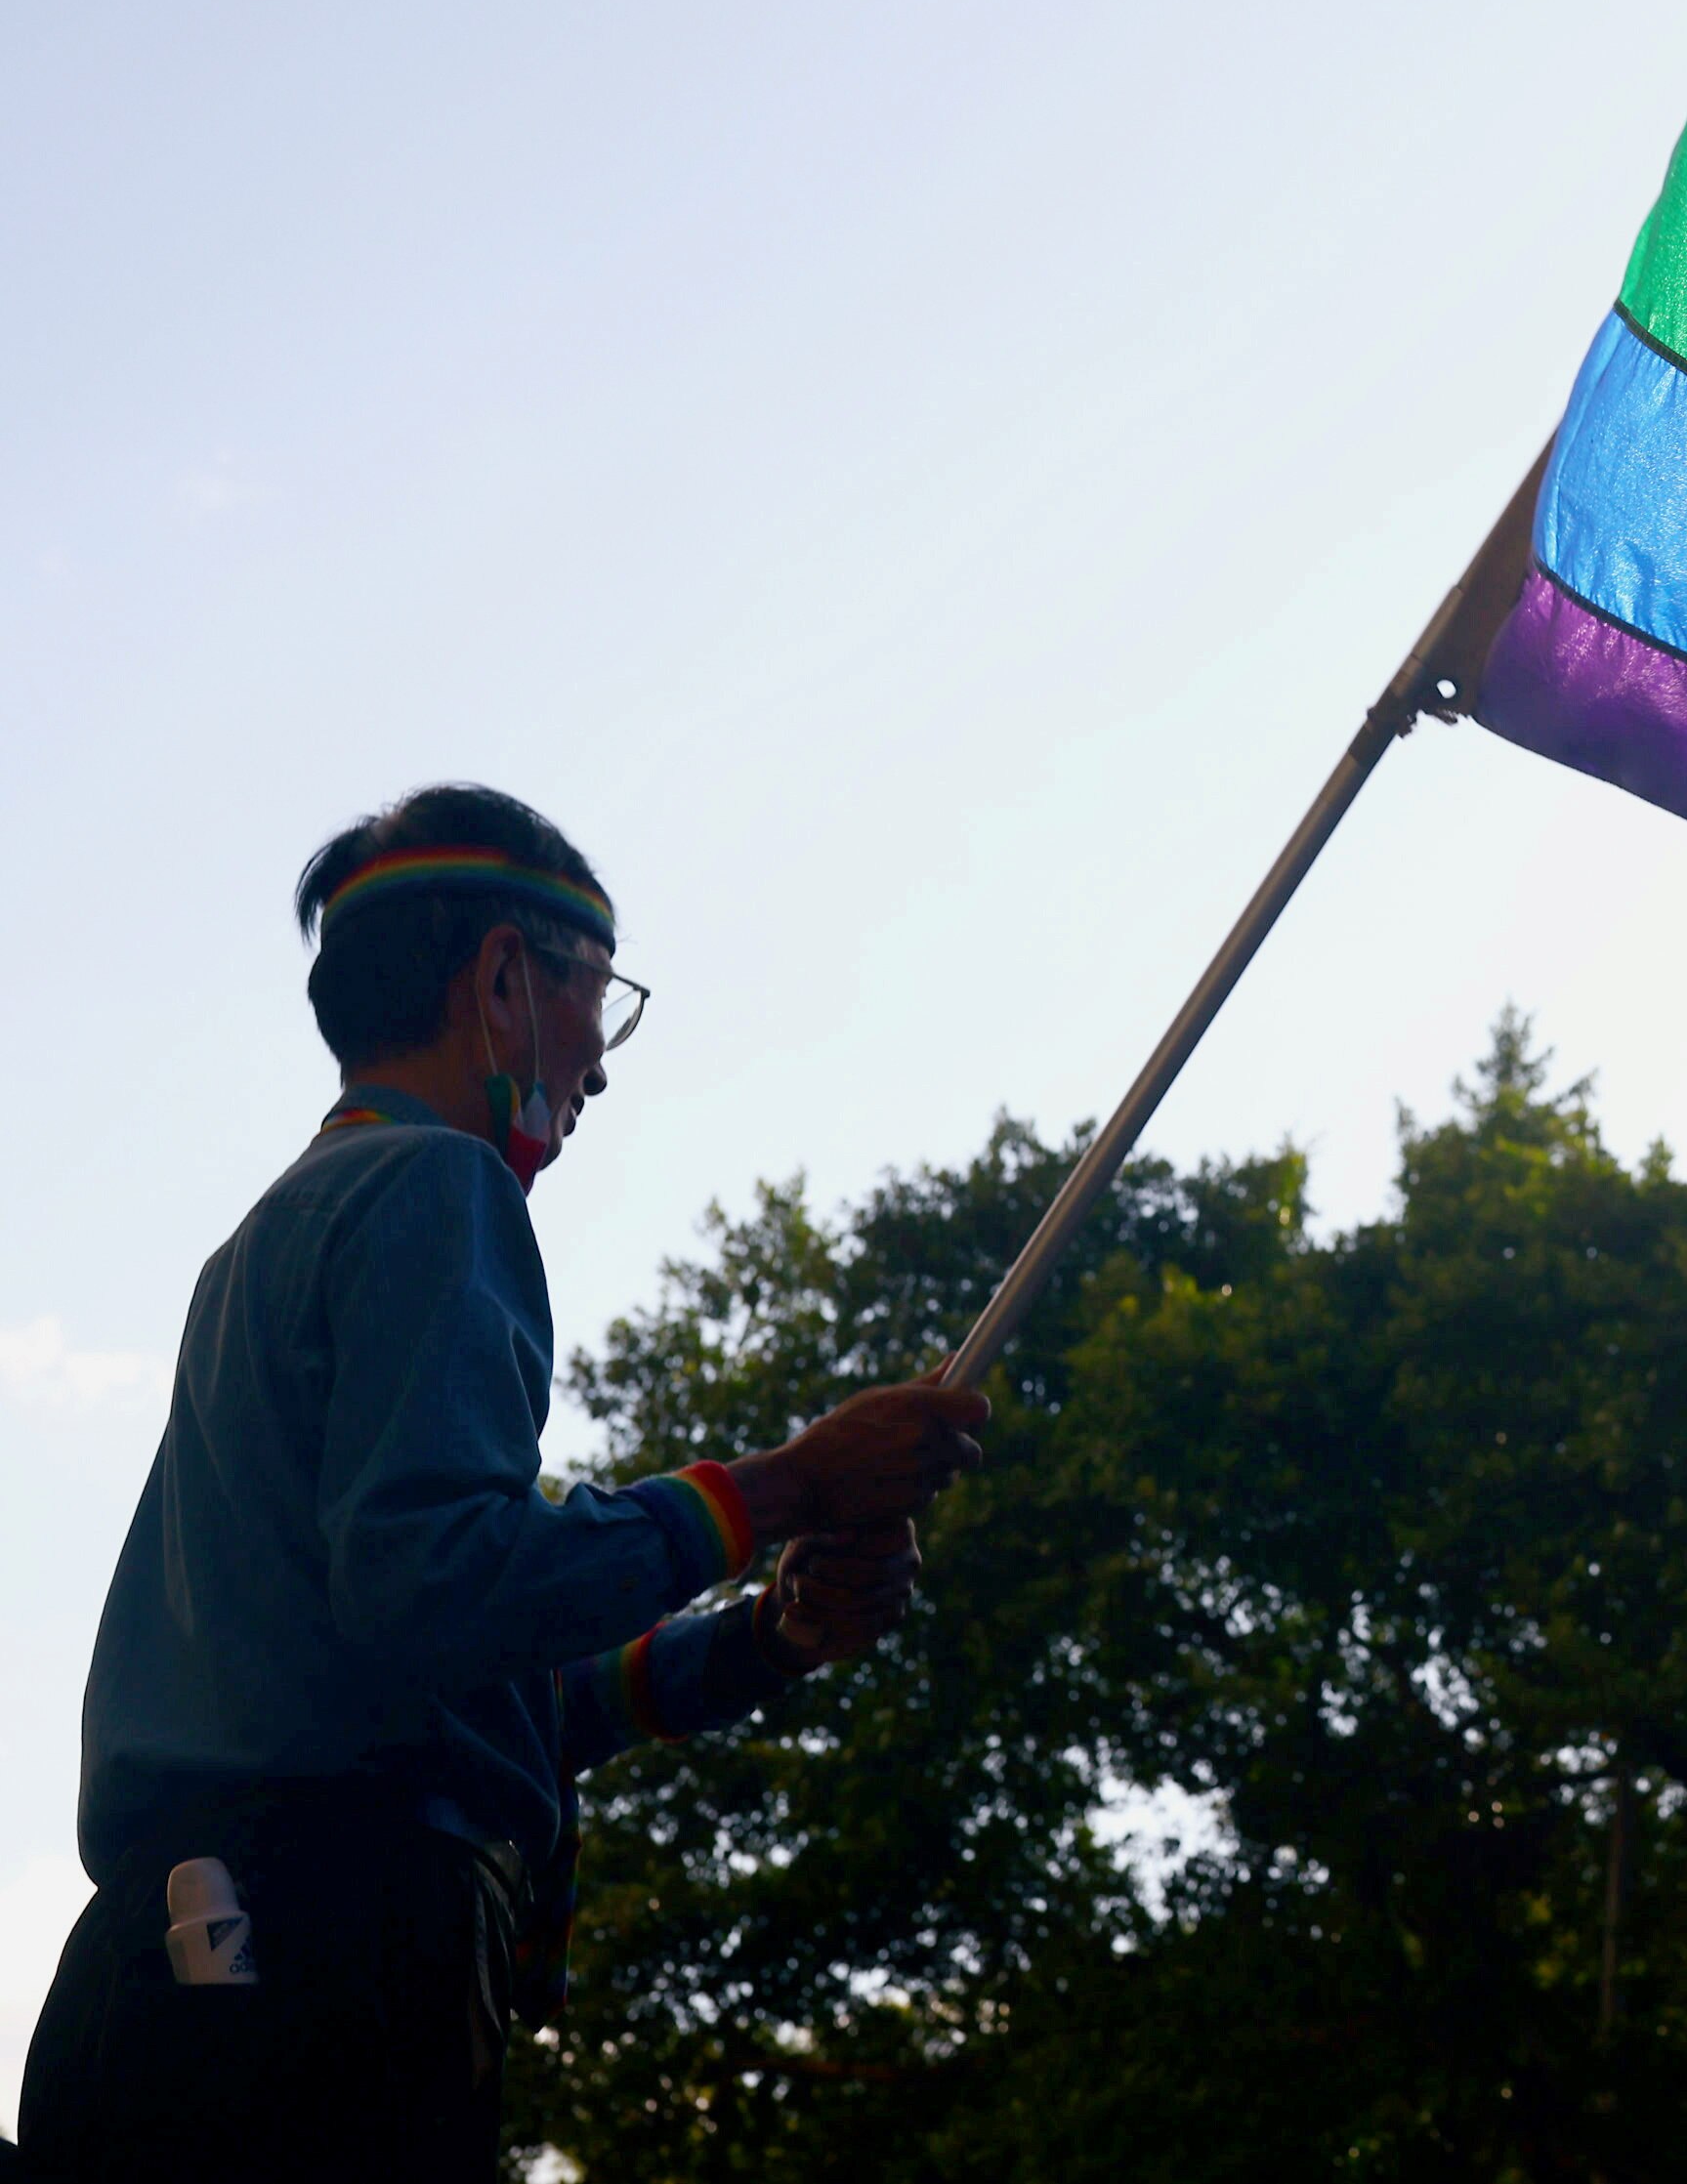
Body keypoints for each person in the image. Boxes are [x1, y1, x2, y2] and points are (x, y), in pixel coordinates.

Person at [16, 785, 991, 2181]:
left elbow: (481, 1700)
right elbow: (443, 1586)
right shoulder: (436, 1188)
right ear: (503, 980)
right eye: (601, 995)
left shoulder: (278, 1234)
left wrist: (770, 1636)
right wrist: (782, 1486)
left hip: (204, 1969)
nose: (600, 1061)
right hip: (313, 1982)